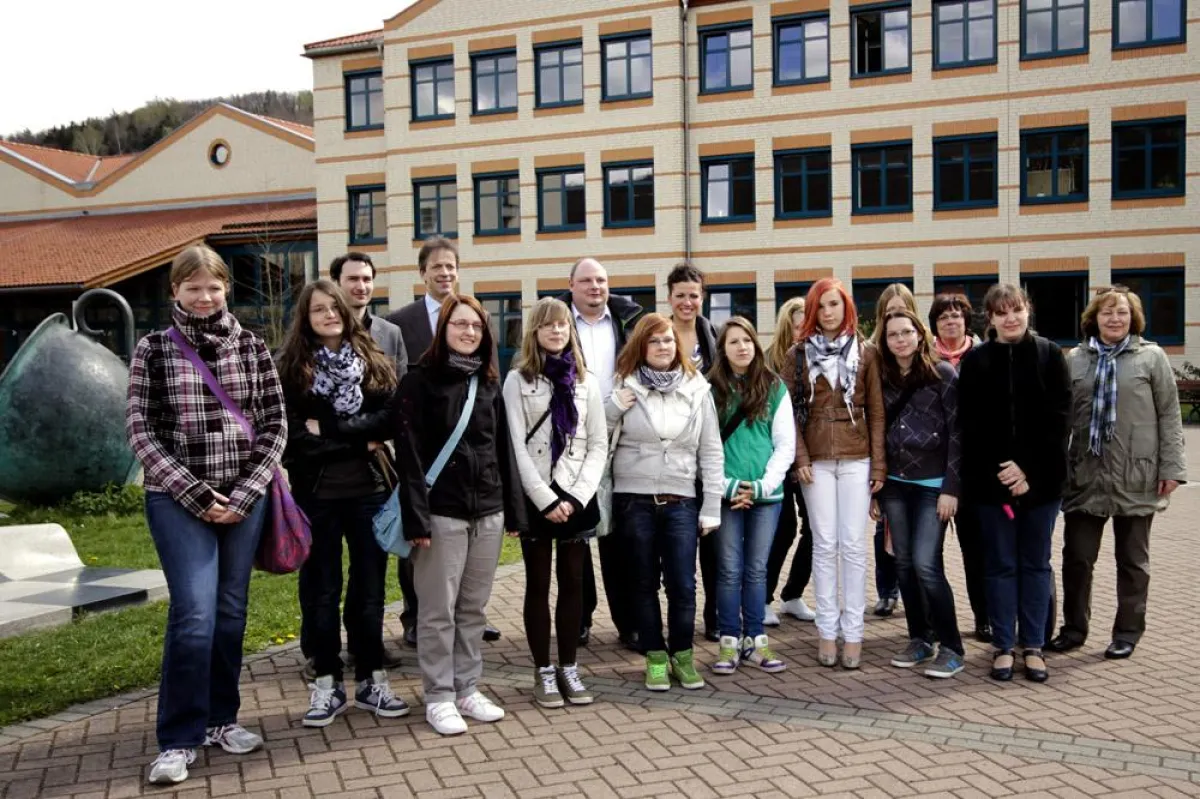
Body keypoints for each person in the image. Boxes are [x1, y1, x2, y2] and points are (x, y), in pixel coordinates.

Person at [126, 245, 285, 785]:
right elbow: (140, 432)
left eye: (212, 286)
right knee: (194, 612)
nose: (204, 296)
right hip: (177, 500)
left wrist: (243, 494)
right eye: (192, 287)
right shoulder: (153, 350)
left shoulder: (253, 347)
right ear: (175, 291)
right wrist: (196, 495)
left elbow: (274, 425)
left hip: (245, 498)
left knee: (230, 612)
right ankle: (178, 738)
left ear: (225, 289)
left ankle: (221, 718)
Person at [276, 280, 410, 727]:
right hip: (317, 496)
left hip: (370, 492)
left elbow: (391, 417)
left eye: (334, 308)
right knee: (322, 590)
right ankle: (328, 682)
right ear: (306, 316)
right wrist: (356, 438)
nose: (329, 315)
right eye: (319, 309)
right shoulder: (291, 367)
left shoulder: (372, 357)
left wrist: (328, 429)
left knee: (370, 590)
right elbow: (294, 438)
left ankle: (372, 678)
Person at [394, 294, 527, 735]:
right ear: (443, 329)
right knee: (437, 612)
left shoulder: (488, 382)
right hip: (441, 513)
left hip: (486, 510)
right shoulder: (418, 381)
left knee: (473, 609)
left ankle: (468, 687)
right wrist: (416, 518)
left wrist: (512, 510)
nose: (469, 332)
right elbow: (408, 457)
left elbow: (502, 448)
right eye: (460, 325)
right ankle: (439, 695)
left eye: (476, 326)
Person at [1049, 286, 1185, 660]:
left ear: (1133, 318)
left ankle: (1127, 631)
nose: (1115, 319)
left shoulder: (1151, 358)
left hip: (1137, 473)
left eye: (1122, 312)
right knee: (1077, 559)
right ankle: (1074, 629)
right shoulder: (1075, 359)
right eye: (1108, 312)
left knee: (1133, 562)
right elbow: (1060, 421)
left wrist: (1172, 467)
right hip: (1084, 475)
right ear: (1094, 317)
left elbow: (1170, 416)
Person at [386, 238, 501, 644]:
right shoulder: (401, 322)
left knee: (468, 572)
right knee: (420, 542)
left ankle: (467, 616)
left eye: (451, 266)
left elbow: (490, 380)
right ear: (423, 273)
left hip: (472, 465)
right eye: (436, 267)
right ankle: (416, 617)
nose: (445, 273)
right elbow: (399, 383)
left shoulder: (477, 316)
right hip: (428, 450)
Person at [958, 284, 1069, 683]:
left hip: (1041, 486)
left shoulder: (1050, 355)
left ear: (1028, 311)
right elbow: (971, 426)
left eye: (1016, 310)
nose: (1011, 318)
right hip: (991, 488)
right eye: (1002, 312)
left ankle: (1034, 645)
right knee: (1001, 565)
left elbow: (1059, 421)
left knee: (1036, 564)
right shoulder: (976, 362)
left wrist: (1028, 472)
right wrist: (1004, 472)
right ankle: (1004, 644)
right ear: (989, 318)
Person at [607, 313, 724, 691]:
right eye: (655, 341)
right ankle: (655, 657)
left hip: (681, 500)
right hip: (633, 499)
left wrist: (711, 507)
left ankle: (683, 655)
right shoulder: (623, 386)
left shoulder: (697, 389)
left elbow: (711, 452)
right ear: (641, 346)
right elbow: (597, 439)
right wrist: (612, 408)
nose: (662, 347)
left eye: (669, 341)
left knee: (682, 584)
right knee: (641, 582)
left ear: (680, 347)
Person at [503, 298, 607, 707]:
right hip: (537, 496)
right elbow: (515, 447)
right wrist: (546, 499)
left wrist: (577, 497)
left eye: (563, 326)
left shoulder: (586, 381)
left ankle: (569, 667)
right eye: (548, 326)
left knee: (574, 583)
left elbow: (598, 443)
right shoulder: (518, 380)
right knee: (537, 584)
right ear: (534, 331)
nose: (557, 332)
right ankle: (543, 670)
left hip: (576, 495)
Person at [780, 277, 885, 670]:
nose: (828, 312)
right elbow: (788, 410)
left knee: (854, 546)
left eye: (834, 305)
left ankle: (853, 632)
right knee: (824, 545)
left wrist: (879, 465)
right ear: (812, 311)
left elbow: (876, 410)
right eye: (821, 306)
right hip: (817, 460)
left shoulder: (867, 352)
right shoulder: (797, 354)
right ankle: (827, 630)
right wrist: (800, 458)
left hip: (858, 457)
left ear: (847, 308)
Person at [873, 309, 966, 679]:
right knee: (905, 564)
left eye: (907, 332)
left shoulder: (942, 374)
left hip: (932, 488)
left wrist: (951, 488)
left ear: (919, 334)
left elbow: (959, 433)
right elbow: (875, 432)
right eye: (893, 334)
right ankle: (920, 638)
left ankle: (953, 647)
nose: (900, 340)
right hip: (895, 484)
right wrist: (875, 488)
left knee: (928, 565)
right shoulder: (883, 378)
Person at [558, 257, 645, 649]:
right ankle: (579, 617)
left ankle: (627, 622)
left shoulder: (628, 321)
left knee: (619, 540)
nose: (596, 287)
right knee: (577, 532)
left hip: (619, 436)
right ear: (571, 285)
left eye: (602, 280)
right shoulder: (557, 321)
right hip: (572, 440)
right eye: (587, 280)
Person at [708, 317, 795, 675]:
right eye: (733, 342)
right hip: (726, 493)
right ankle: (728, 642)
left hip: (766, 497)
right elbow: (705, 444)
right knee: (729, 571)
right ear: (722, 349)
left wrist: (761, 486)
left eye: (747, 340)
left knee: (757, 570)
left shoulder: (774, 387)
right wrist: (728, 486)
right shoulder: (709, 388)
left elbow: (785, 444)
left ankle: (755, 641)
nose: (742, 347)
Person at [929, 292, 990, 643]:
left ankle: (984, 618)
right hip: (933, 467)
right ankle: (934, 622)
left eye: (956, 315)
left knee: (975, 549)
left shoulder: (982, 356)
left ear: (967, 320)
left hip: (974, 470)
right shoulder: (925, 357)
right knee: (928, 554)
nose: (951, 321)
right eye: (943, 317)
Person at [666, 262, 721, 641]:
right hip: (670, 457)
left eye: (694, 295)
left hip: (708, 451)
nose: (688, 302)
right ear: (669, 296)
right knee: (674, 548)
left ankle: (714, 616)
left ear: (703, 298)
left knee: (714, 543)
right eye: (681, 295)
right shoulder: (657, 334)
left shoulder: (713, 335)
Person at [764, 297, 816, 625]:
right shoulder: (769, 361)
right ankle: (762, 598)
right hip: (778, 456)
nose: (803, 331)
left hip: (813, 456)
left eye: (807, 325)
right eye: (798, 325)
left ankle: (793, 594)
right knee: (782, 528)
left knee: (816, 527)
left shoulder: (819, 358)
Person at [867, 283, 915, 618]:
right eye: (889, 314)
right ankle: (887, 591)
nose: (895, 320)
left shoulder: (921, 353)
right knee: (883, 526)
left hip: (918, 460)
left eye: (902, 310)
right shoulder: (872, 356)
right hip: (884, 455)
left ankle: (915, 594)